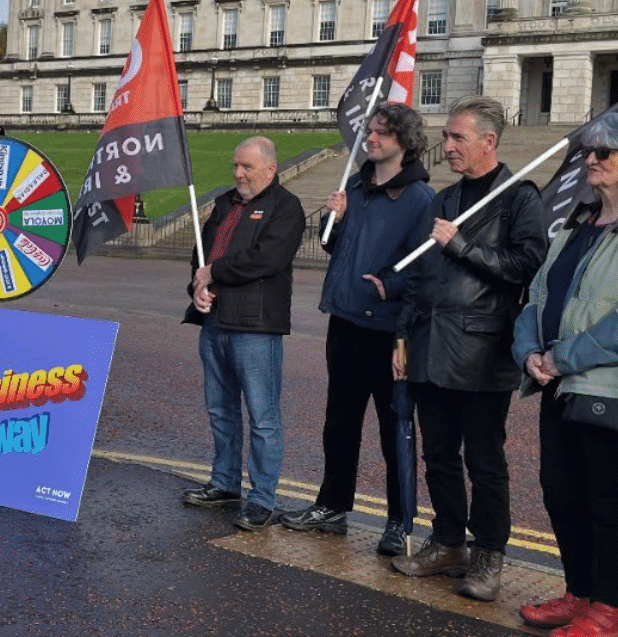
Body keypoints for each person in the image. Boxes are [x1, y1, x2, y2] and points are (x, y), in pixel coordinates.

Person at [390, 96, 546, 602]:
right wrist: (403, 335)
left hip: (482, 350)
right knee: (437, 453)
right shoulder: (445, 198)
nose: (447, 145)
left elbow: (525, 266)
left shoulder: (520, 197)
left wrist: (462, 245)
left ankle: (488, 553)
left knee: (484, 458)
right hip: (430, 343)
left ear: (489, 141)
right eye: (448, 136)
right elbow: (419, 274)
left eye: (458, 137)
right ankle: (448, 540)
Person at [281, 103, 434, 556]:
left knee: (394, 428)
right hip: (346, 320)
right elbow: (332, 246)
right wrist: (338, 219)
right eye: (370, 130)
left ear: (403, 142)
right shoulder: (356, 184)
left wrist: (390, 284)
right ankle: (331, 506)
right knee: (340, 423)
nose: (371, 139)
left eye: (382, 133)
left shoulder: (421, 199)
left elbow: (427, 268)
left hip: (390, 331)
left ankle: (398, 521)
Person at [511, 113, 618, 636]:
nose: (591, 160)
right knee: (562, 492)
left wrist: (567, 357)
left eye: (604, 153)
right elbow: (536, 296)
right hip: (556, 386)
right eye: (589, 152)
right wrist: (530, 352)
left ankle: (610, 610)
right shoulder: (575, 228)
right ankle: (579, 592)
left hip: (610, 389)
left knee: (610, 501)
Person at [181, 136, 305, 530]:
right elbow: (200, 256)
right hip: (214, 320)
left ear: (270, 168)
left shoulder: (286, 208)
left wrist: (214, 274)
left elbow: (267, 259)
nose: (238, 173)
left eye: (247, 167)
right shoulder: (224, 204)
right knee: (220, 410)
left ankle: (263, 499)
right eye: (236, 165)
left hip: (255, 326)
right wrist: (198, 289)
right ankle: (224, 483)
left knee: (263, 417)